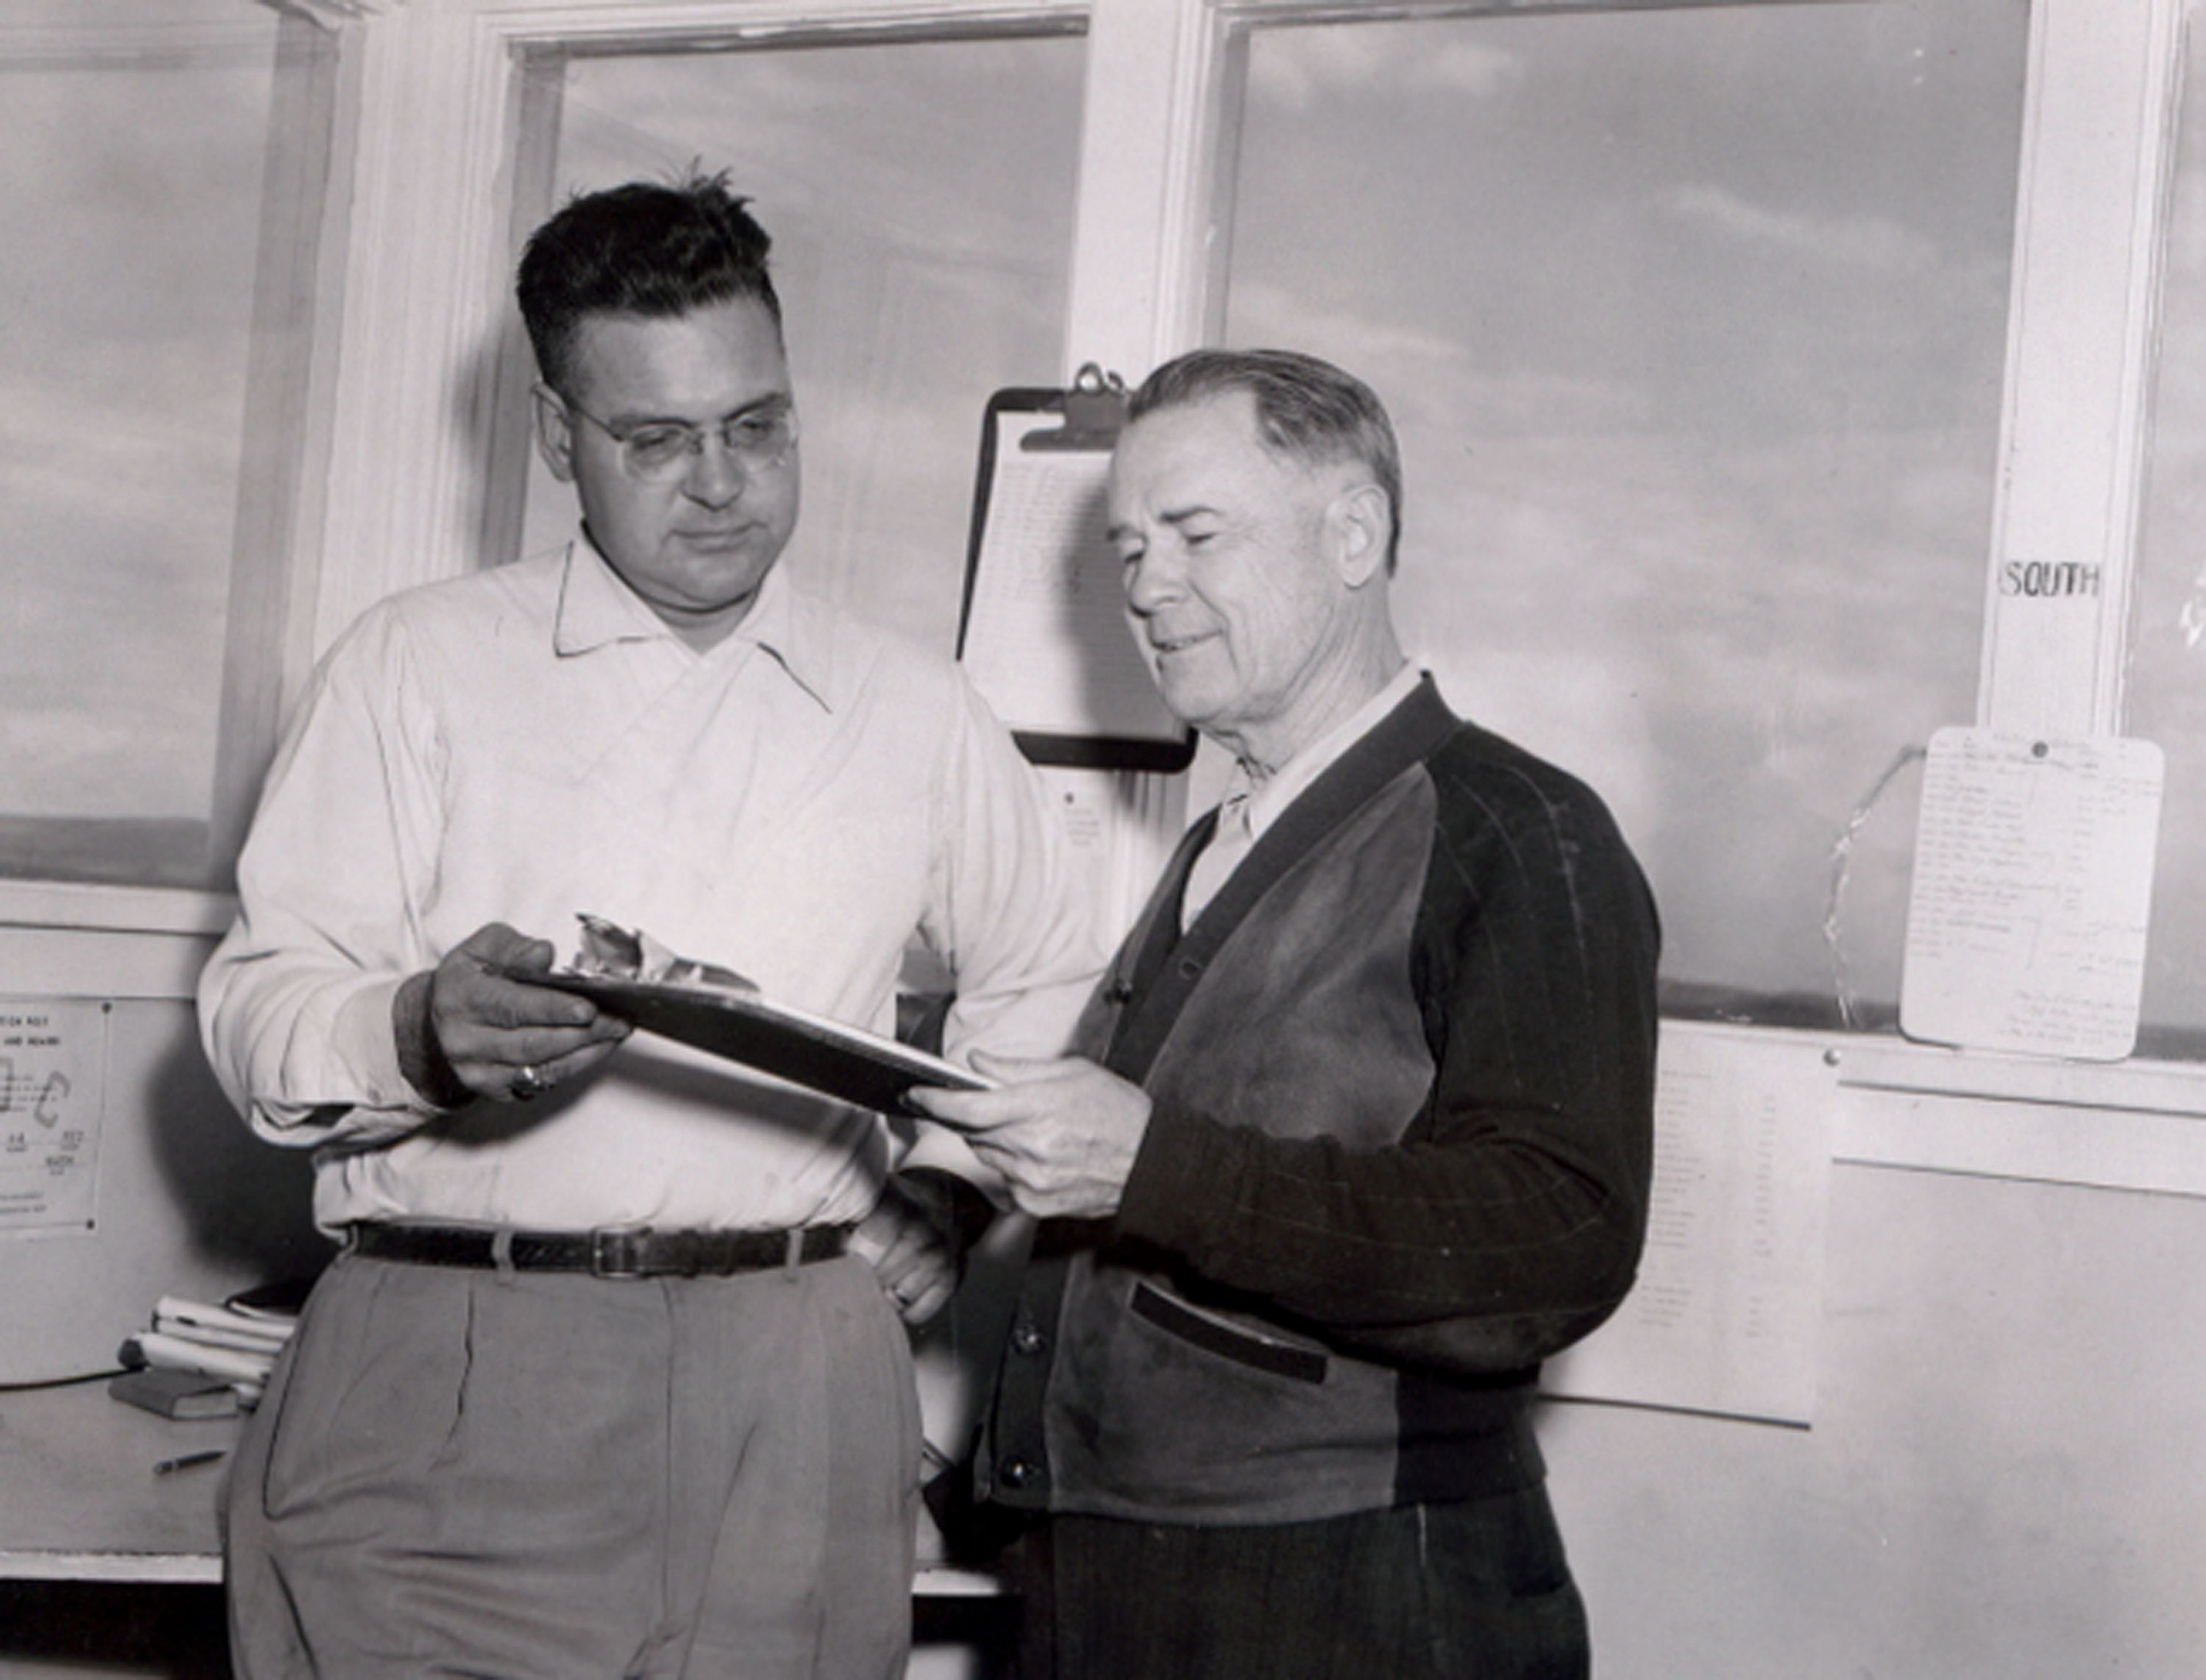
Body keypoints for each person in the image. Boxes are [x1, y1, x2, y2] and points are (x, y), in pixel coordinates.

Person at [197, 173, 1099, 1680]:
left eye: (759, 426)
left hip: (799, 1376)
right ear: (559, 438)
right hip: (456, 1356)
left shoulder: (914, 709)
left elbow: (1054, 973)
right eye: (658, 439)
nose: (723, 484)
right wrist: (415, 1027)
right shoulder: (413, 666)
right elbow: (256, 1009)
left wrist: (944, 1186)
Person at [912, 348, 1661, 1679]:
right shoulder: (1223, 840)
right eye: (1130, 545)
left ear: (1355, 530)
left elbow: (1557, 1239)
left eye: (1196, 533)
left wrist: (1157, 1163)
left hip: (1348, 1591)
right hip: (1113, 1575)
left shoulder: (1521, 830)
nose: (1144, 584)